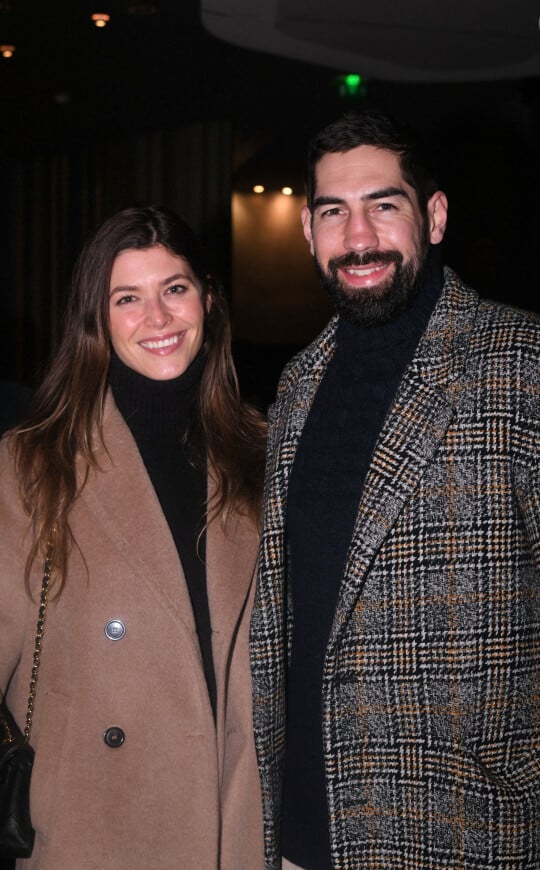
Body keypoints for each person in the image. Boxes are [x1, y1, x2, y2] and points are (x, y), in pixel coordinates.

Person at [250, 111, 540, 869]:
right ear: (307, 229)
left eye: (383, 205)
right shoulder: (296, 385)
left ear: (432, 216)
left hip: (467, 838)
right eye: (334, 212)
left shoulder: (533, 366)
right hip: (303, 836)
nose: (357, 236)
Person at [0, 205, 266, 869]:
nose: (158, 318)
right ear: (97, 318)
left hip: (238, 833)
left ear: (207, 298)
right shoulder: (32, 466)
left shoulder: (264, 454)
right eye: (128, 298)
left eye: (174, 289)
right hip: (94, 828)